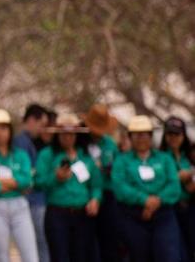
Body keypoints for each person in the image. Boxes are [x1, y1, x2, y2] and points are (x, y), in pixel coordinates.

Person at [111, 115, 181, 262]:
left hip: (163, 215)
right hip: (134, 216)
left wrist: (157, 201)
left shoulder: (164, 159)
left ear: (150, 136)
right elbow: (119, 186)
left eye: (144, 134)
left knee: (168, 254)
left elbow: (174, 185)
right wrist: (144, 200)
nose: (141, 139)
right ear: (130, 137)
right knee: (139, 255)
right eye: (137, 135)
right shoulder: (122, 160)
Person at [35, 114, 102, 262]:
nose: (68, 137)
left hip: (82, 215)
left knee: (81, 256)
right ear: (58, 134)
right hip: (58, 214)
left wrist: (95, 199)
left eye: (71, 134)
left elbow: (96, 184)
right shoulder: (47, 155)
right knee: (59, 256)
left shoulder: (85, 157)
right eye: (64, 133)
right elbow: (38, 182)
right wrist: (56, 178)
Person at [0, 109, 38, 262]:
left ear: (10, 131)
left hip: (19, 207)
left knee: (31, 256)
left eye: (3, 128)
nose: (0, 133)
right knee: (2, 257)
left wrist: (1, 182)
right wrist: (14, 184)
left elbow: (27, 181)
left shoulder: (20, 154)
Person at [83, 103, 123, 262]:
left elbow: (118, 168)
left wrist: (109, 169)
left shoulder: (110, 144)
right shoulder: (82, 143)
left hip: (108, 195)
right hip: (87, 195)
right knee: (88, 243)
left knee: (109, 241)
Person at [13, 104, 50, 262]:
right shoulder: (21, 142)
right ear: (31, 120)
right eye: (42, 124)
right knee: (39, 245)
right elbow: (27, 173)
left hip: (37, 199)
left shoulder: (33, 142)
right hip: (32, 201)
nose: (43, 129)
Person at [159, 116, 195, 262]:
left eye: (177, 134)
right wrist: (177, 177)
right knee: (177, 250)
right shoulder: (160, 158)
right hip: (171, 209)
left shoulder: (189, 156)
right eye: (170, 134)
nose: (173, 138)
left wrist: (190, 177)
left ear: (183, 136)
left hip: (190, 208)